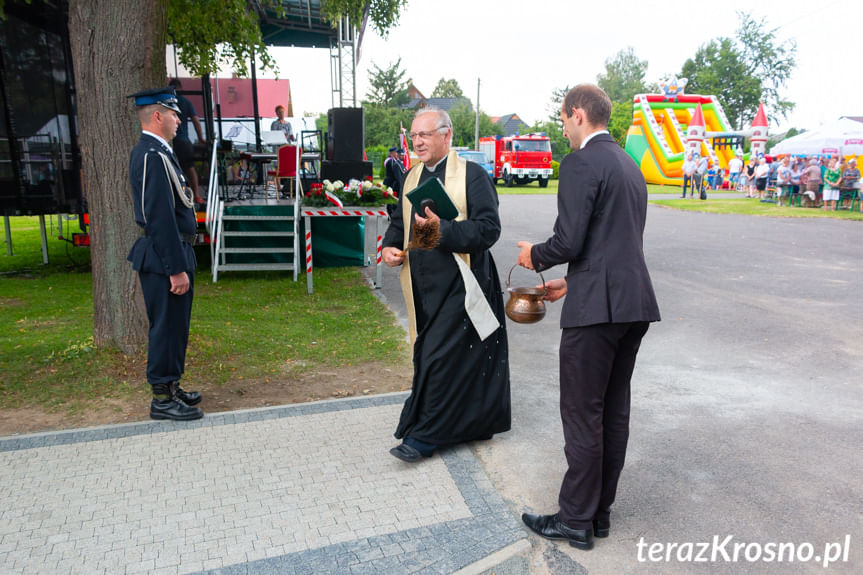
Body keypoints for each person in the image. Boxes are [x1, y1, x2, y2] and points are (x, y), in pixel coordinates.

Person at [515, 84, 660, 551]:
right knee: (612, 412)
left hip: (597, 313)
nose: (562, 129)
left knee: (582, 414)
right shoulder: (629, 164)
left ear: (577, 114)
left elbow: (570, 241)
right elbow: (612, 243)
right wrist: (572, 283)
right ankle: (598, 514)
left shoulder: (580, 162)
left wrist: (533, 255)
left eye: (562, 119)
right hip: (631, 304)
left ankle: (575, 519)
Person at [381, 107, 510, 463]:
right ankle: (473, 423)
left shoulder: (472, 176)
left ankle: (425, 435)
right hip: (424, 285)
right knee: (449, 357)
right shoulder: (411, 176)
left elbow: (488, 230)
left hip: (464, 282)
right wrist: (390, 246)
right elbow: (399, 221)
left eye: (425, 135)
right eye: (414, 136)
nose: (417, 142)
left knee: (439, 356)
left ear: (447, 135)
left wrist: (444, 230)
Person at [126, 87, 203, 421]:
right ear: (156, 116)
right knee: (165, 328)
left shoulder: (162, 152)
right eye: (173, 114)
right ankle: (161, 398)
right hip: (162, 258)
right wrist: (175, 268)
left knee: (176, 327)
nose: (179, 119)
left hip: (174, 252)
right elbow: (157, 216)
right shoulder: (149, 155)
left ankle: (171, 386)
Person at [167, 78, 206, 204]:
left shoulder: (166, 102)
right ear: (181, 88)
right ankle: (196, 195)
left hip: (170, 141)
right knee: (190, 168)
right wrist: (200, 138)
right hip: (184, 141)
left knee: (171, 168)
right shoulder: (186, 102)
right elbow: (195, 120)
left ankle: (175, 196)